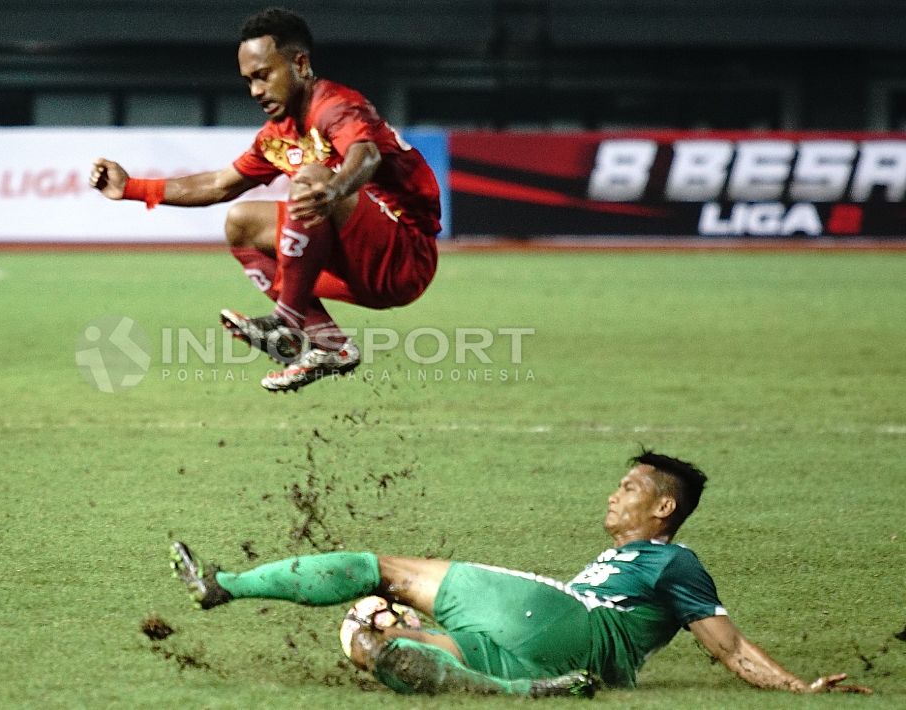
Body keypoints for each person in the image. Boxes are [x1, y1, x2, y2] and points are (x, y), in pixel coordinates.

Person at [170, 450, 873, 697]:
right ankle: (521, 688)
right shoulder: (625, 561)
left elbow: (727, 645)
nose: (613, 493)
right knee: (376, 642)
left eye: (629, 486)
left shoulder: (673, 558)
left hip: (573, 622)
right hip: (553, 648)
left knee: (379, 572)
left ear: (664, 507)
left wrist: (797, 686)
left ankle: (224, 585)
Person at [91, 7, 440, 392]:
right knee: (239, 221)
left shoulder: (336, 106)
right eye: (248, 80)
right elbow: (220, 184)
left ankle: (286, 322)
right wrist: (132, 188)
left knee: (311, 177)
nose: (255, 91)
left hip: (405, 255)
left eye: (263, 76)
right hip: (357, 270)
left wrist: (335, 188)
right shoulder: (277, 135)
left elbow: (367, 154)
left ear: (300, 63)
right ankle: (328, 344)